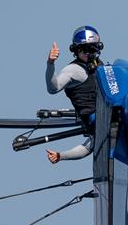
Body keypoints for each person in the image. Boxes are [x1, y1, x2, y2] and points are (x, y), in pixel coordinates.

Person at [45, 25, 104, 164]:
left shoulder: (100, 66)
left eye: (93, 49)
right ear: (76, 51)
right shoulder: (73, 70)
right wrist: (50, 63)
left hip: (113, 113)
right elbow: (53, 88)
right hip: (97, 120)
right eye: (84, 50)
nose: (89, 54)